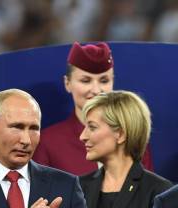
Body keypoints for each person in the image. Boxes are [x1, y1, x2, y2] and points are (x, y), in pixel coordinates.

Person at [33, 41, 154, 175]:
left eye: (104, 81)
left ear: (113, 81)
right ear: (67, 83)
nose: (96, 90)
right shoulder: (48, 142)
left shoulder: (132, 136)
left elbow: (148, 190)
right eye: (86, 81)